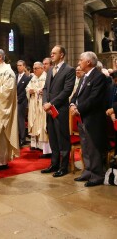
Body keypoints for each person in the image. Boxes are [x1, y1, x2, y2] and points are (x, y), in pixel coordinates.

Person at [70, 52, 108, 187]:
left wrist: (78, 108)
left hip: (93, 118)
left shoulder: (99, 77)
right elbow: (76, 94)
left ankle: (97, 174)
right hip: (82, 117)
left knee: (93, 147)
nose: (79, 62)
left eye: (81, 60)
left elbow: (94, 98)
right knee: (85, 147)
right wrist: (73, 104)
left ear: (89, 62)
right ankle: (87, 170)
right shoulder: (84, 77)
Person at [42, 45, 75, 177]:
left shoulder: (69, 70)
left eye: (54, 53)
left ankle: (63, 166)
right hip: (49, 110)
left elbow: (67, 91)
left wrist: (51, 103)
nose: (51, 55)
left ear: (61, 55)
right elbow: (45, 88)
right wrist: (45, 102)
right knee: (53, 138)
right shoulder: (50, 70)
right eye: (51, 53)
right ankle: (54, 164)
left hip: (60, 109)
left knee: (62, 138)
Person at [26, 62, 51, 156]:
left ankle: (45, 148)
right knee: (34, 122)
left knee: (43, 124)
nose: (34, 70)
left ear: (42, 68)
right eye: (33, 68)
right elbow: (27, 88)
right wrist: (29, 91)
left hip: (42, 104)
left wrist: (37, 91)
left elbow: (47, 90)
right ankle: (35, 145)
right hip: (34, 104)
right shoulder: (33, 78)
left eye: (36, 68)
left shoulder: (46, 77)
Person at [16, 60, 31, 146]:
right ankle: (17, 137)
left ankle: (22, 138)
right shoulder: (15, 76)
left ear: (24, 66)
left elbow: (25, 91)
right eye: (17, 65)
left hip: (21, 101)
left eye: (20, 65)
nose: (18, 67)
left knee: (20, 120)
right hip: (14, 101)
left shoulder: (27, 78)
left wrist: (18, 99)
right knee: (15, 120)